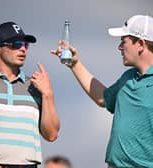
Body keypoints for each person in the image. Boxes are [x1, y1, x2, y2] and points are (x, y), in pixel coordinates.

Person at [51, 15, 153, 168]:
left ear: (140, 44)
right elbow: (102, 98)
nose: (119, 47)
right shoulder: (128, 77)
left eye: (123, 41)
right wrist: (74, 64)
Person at [0, 22, 60, 168]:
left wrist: (48, 94)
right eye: (16, 44)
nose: (23, 49)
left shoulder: (36, 86)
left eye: (25, 45)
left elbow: (51, 134)